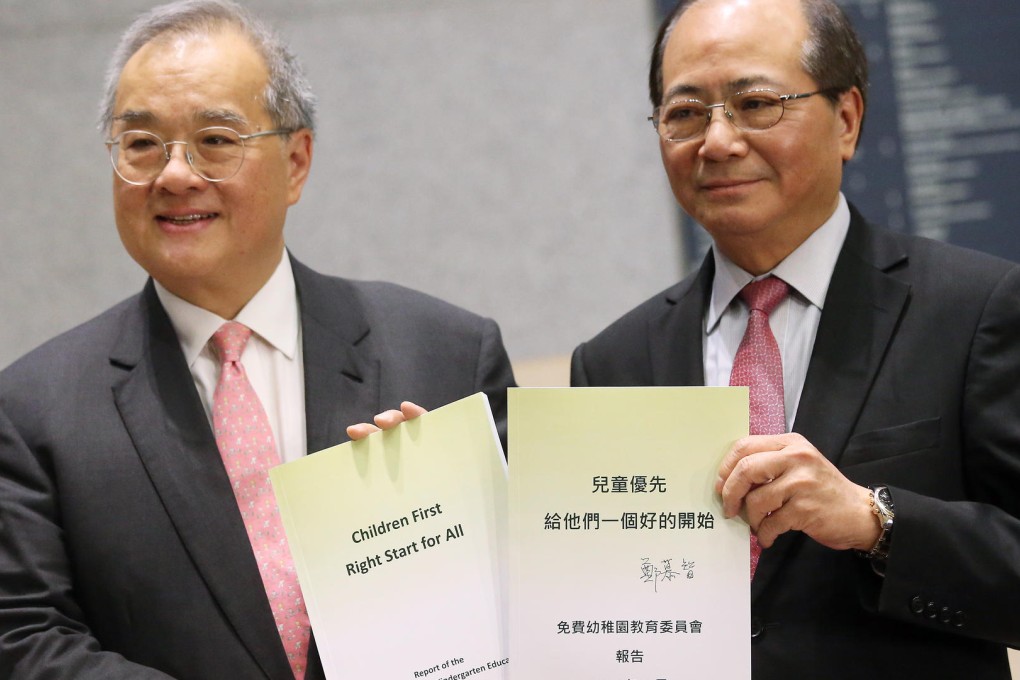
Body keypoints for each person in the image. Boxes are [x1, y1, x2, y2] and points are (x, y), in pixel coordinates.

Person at [0, 1, 514, 678]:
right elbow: (26, 638)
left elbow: (547, 592)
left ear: (296, 162)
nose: (175, 174)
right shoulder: (34, 411)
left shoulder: (446, 355)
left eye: (215, 139)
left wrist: (459, 514)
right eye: (142, 144)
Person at [570, 0, 1020, 677]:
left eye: (755, 103)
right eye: (685, 113)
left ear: (846, 120)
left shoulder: (975, 308)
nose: (717, 142)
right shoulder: (613, 362)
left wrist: (878, 523)